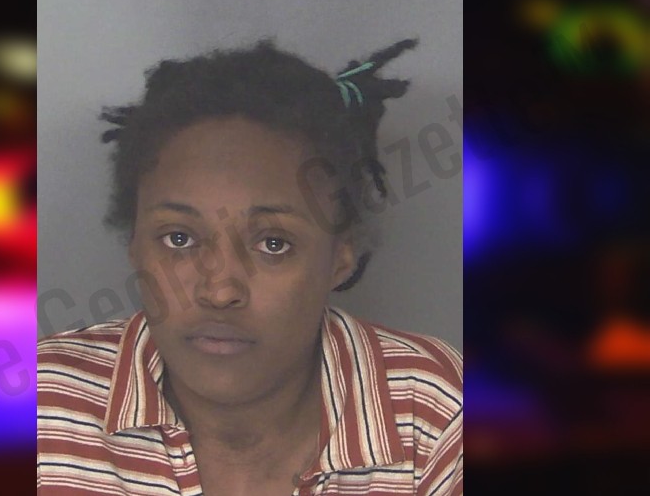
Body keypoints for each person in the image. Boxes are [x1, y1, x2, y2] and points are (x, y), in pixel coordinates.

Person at [37, 39, 463, 496]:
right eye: (179, 238)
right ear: (134, 244)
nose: (219, 292)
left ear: (341, 256)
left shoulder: (436, 414)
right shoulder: (41, 410)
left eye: (273, 244)